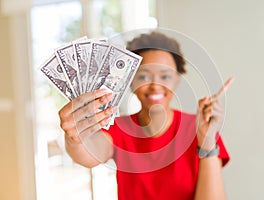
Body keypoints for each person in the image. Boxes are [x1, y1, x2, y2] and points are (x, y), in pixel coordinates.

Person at [59, 31, 234, 200]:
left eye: (165, 76)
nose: (155, 86)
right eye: (143, 77)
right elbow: (87, 154)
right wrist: (75, 137)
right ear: (130, 81)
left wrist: (208, 141)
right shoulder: (119, 129)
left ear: (177, 79)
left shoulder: (201, 127)